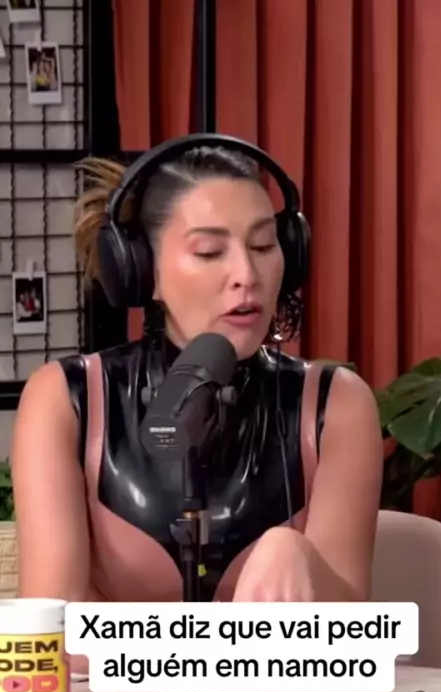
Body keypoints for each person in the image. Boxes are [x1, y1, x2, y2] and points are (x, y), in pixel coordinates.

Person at [12, 135, 383, 618]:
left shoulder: (337, 404)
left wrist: (300, 556)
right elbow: (51, 624)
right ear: (140, 268)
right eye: (209, 252)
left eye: (263, 245)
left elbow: (355, 631)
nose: (246, 273)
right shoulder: (65, 400)